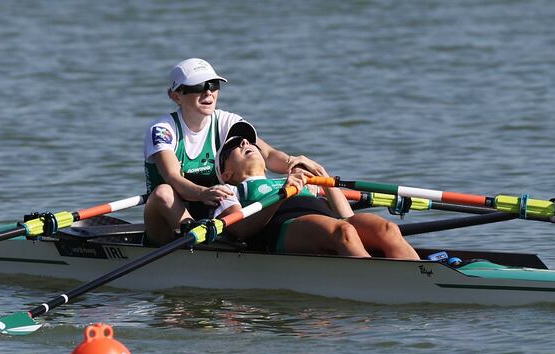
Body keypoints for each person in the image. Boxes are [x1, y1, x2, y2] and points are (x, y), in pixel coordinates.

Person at [143, 58, 326, 245]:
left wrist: (294, 163)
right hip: (167, 220)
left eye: (213, 85)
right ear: (176, 96)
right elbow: (173, 177)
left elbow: (269, 156)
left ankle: (218, 241)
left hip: (215, 216)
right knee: (163, 192)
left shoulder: (226, 121)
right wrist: (202, 193)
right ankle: (195, 239)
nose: (208, 92)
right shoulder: (163, 129)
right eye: (197, 86)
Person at [214, 122, 420, 260]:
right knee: (344, 231)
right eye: (233, 145)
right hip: (282, 230)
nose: (244, 142)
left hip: (329, 223)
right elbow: (241, 231)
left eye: (249, 142)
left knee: (387, 229)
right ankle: (381, 282)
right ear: (226, 173)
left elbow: (346, 215)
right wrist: (284, 193)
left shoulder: (296, 179)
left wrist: (320, 172)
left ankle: (422, 276)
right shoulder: (228, 189)